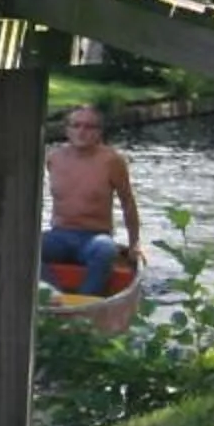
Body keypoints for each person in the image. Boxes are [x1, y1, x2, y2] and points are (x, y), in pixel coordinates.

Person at [43, 104, 142, 295]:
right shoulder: (54, 158)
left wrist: (134, 244)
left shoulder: (112, 161)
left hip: (94, 237)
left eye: (89, 127)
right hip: (59, 234)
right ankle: (53, 295)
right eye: (76, 125)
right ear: (67, 130)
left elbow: (127, 203)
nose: (82, 131)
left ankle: (86, 304)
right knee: (27, 249)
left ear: (99, 132)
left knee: (105, 251)